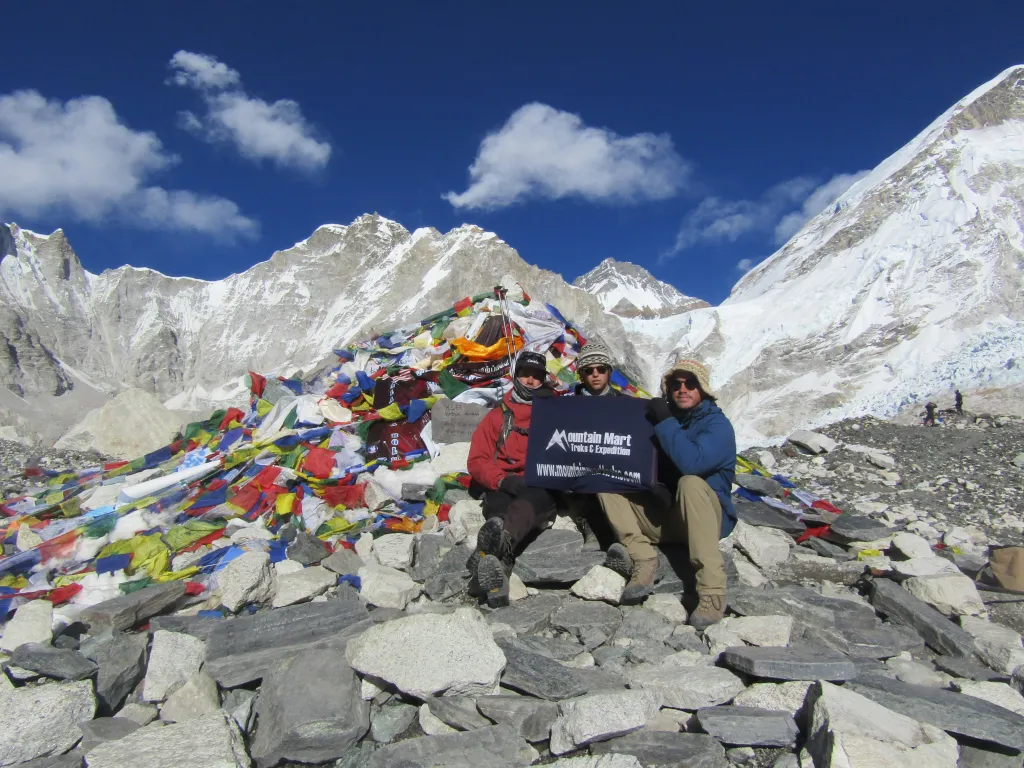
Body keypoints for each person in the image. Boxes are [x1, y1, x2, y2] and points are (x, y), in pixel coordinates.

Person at [598, 359, 736, 630]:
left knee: (691, 483)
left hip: (706, 521)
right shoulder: (664, 419)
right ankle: (643, 558)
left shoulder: (717, 425)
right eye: (676, 384)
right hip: (669, 518)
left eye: (690, 384)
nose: (682, 390)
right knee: (605, 480)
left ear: (703, 389)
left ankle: (711, 592)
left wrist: (665, 421)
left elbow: (692, 463)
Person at [467, 350, 557, 607]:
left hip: (540, 483)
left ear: (543, 380)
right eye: (525, 375)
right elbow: (477, 460)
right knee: (497, 507)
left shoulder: (556, 414)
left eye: (536, 377)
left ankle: (489, 555)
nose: (530, 381)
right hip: (503, 483)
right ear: (515, 376)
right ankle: (499, 566)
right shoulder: (496, 416)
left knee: (529, 503)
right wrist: (501, 480)